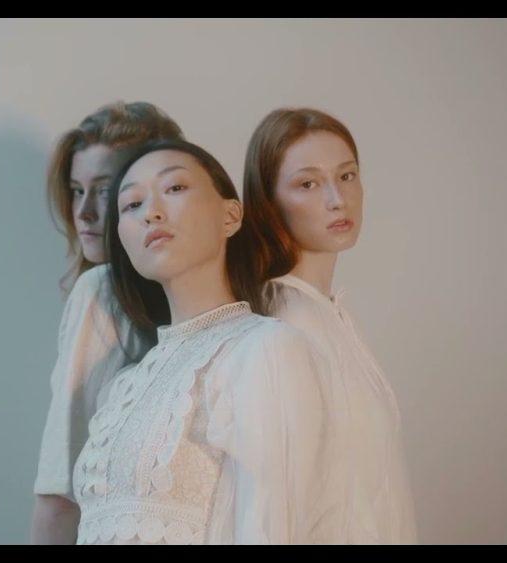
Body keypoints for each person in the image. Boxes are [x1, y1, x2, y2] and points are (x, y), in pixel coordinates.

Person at [71, 139, 332, 544]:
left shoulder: (266, 348)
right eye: (132, 204)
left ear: (230, 215)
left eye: (174, 188)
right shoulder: (122, 385)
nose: (151, 212)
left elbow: (275, 528)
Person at [243, 107, 418, 543]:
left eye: (346, 175)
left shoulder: (328, 313)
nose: (338, 199)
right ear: (268, 201)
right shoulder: (282, 326)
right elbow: (275, 507)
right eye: (308, 184)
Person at [30, 101, 184, 544]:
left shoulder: (105, 292)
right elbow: (61, 486)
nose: (83, 213)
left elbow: (60, 491)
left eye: (104, 190)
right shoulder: (99, 292)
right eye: (76, 191)